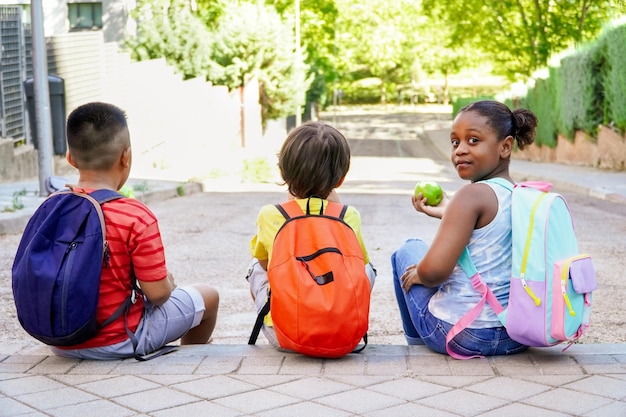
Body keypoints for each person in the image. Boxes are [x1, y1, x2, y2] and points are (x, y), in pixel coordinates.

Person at [50, 102, 219, 360]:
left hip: (58, 340)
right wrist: (168, 283)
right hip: (118, 340)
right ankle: (188, 365)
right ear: (126, 157)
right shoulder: (134, 214)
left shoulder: (53, 206)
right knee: (208, 296)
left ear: (70, 158)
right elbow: (158, 294)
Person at [392, 100, 537, 357]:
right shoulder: (520, 196)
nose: (460, 150)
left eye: (473, 141)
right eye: (455, 142)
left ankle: (416, 343)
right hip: (514, 333)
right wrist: (449, 213)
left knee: (409, 250)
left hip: (462, 334)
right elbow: (489, 236)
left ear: (505, 146)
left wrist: (420, 273)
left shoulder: (469, 196)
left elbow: (435, 272)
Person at [247, 121, 376, 347]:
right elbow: (358, 266)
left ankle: (272, 315)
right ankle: (342, 316)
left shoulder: (270, 215)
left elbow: (266, 265)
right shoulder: (349, 216)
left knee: (255, 267)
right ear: (340, 180)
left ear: (283, 171)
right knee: (367, 267)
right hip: (343, 337)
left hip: (284, 336)